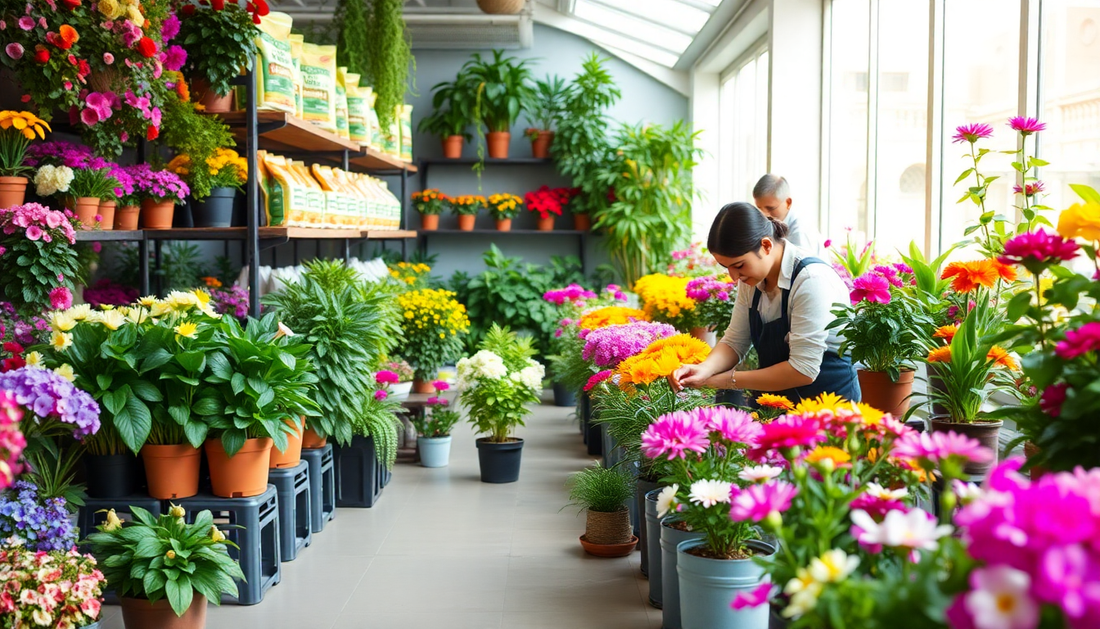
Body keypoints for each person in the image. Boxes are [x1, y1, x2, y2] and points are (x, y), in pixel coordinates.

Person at [672, 202, 859, 403]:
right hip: (776, 403)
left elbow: (803, 370)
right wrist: (703, 369)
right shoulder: (752, 277)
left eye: (739, 265)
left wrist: (725, 380)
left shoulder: (811, 280)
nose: (734, 277)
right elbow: (735, 341)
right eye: (726, 267)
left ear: (766, 245)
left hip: (827, 405)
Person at [753, 174, 822, 255]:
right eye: (759, 208)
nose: (764, 214)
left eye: (771, 208)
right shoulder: (769, 224)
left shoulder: (800, 232)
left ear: (788, 203)